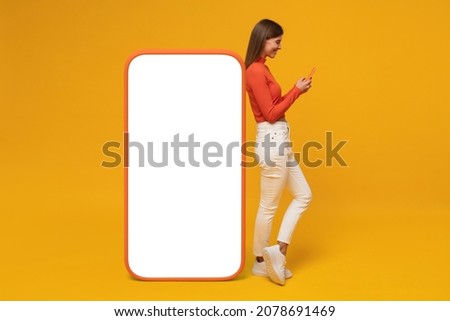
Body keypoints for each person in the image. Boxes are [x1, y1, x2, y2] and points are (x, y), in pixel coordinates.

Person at [245, 19, 313, 286]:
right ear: (263, 40)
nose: (279, 47)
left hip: (280, 141)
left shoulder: (263, 68)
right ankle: (261, 262)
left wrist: (295, 90)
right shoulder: (254, 71)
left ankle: (278, 253)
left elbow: (273, 106)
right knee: (268, 205)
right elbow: (271, 114)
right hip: (272, 140)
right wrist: (297, 91)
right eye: (277, 41)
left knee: (304, 195)